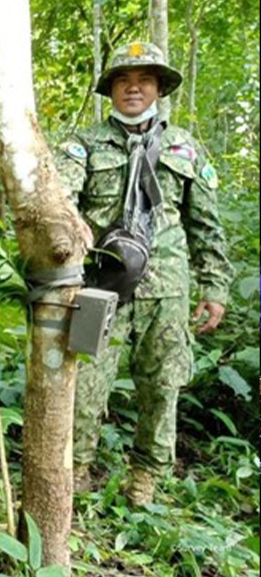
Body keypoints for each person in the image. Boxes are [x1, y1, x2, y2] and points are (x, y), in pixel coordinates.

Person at [57, 41, 233, 506]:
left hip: (167, 289)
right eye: (123, 80)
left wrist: (214, 287)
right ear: (110, 90)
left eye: (144, 80)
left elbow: (206, 225)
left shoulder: (185, 148)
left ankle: (145, 483)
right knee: (86, 386)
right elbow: (60, 208)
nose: (133, 88)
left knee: (162, 387)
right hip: (100, 286)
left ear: (159, 88)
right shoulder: (84, 145)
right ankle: (75, 475)